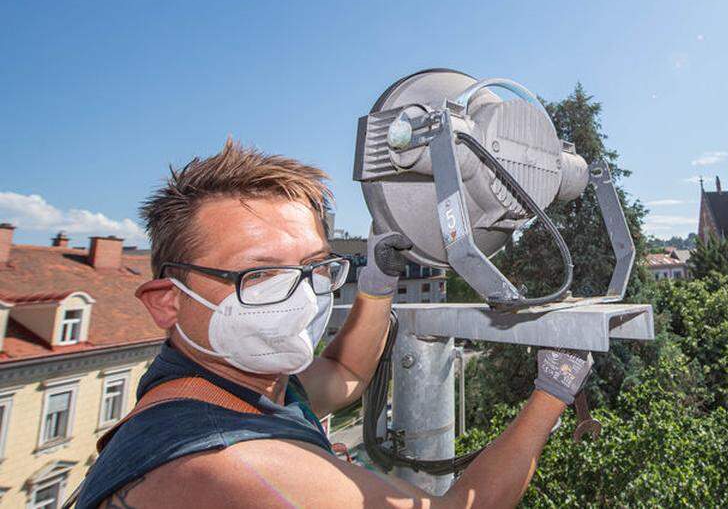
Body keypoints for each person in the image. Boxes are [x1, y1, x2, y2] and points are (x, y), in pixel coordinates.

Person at [75, 140, 591, 508]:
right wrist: (553, 392)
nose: (301, 293)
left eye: (315, 267)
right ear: (167, 302)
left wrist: (376, 284)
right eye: (262, 273)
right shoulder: (232, 467)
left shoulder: (221, 391)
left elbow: (344, 372)